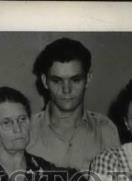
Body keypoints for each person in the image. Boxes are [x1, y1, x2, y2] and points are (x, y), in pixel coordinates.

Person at [28, 37, 120, 172]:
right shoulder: (26, 130)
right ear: (44, 81)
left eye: (75, 80)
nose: (67, 90)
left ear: (88, 79)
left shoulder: (106, 130)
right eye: (57, 81)